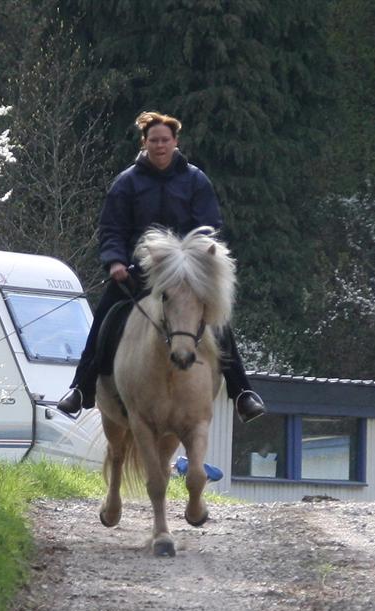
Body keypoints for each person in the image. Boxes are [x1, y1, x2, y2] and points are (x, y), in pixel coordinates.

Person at [57, 111, 266, 422]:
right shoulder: (127, 182)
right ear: (145, 142)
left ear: (175, 142)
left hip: (185, 275)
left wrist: (199, 258)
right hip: (137, 274)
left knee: (218, 325)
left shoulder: (195, 180)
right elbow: (112, 228)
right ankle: (80, 388)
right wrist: (114, 261)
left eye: (165, 140)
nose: (159, 145)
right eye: (153, 140)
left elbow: (209, 225)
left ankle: (242, 392)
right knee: (104, 320)